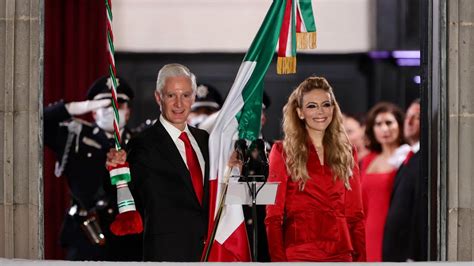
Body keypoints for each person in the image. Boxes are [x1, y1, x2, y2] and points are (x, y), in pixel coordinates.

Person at [108, 63, 210, 261]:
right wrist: (115, 167)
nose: (179, 104)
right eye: (171, 95)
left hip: (209, 252)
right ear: (158, 97)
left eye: (186, 95)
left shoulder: (205, 139)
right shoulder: (143, 143)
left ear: (194, 98)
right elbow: (124, 188)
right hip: (167, 255)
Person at [265, 76, 366, 262]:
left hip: (341, 254)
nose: (320, 111)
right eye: (312, 106)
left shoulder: (347, 151)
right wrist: (278, 262)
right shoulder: (281, 151)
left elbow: (355, 216)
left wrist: (362, 262)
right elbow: (273, 217)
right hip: (299, 254)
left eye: (326, 104)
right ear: (300, 112)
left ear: (333, 109)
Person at [44, 76, 142, 261]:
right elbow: (36, 122)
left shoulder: (139, 141)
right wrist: (78, 107)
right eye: (104, 105)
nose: (111, 109)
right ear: (93, 111)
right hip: (87, 235)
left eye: (118, 104)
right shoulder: (75, 137)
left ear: (128, 111)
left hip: (131, 238)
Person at [360, 102, 405, 262]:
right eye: (378, 124)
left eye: (389, 122)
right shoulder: (367, 160)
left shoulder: (407, 157)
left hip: (393, 232)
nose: (384, 129)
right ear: (372, 129)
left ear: (400, 124)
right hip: (367, 231)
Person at [383, 99, 427, 261]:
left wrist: (413, 255)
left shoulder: (425, 160)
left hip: (409, 255)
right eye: (408, 116)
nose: (409, 121)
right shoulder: (408, 158)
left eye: (417, 117)